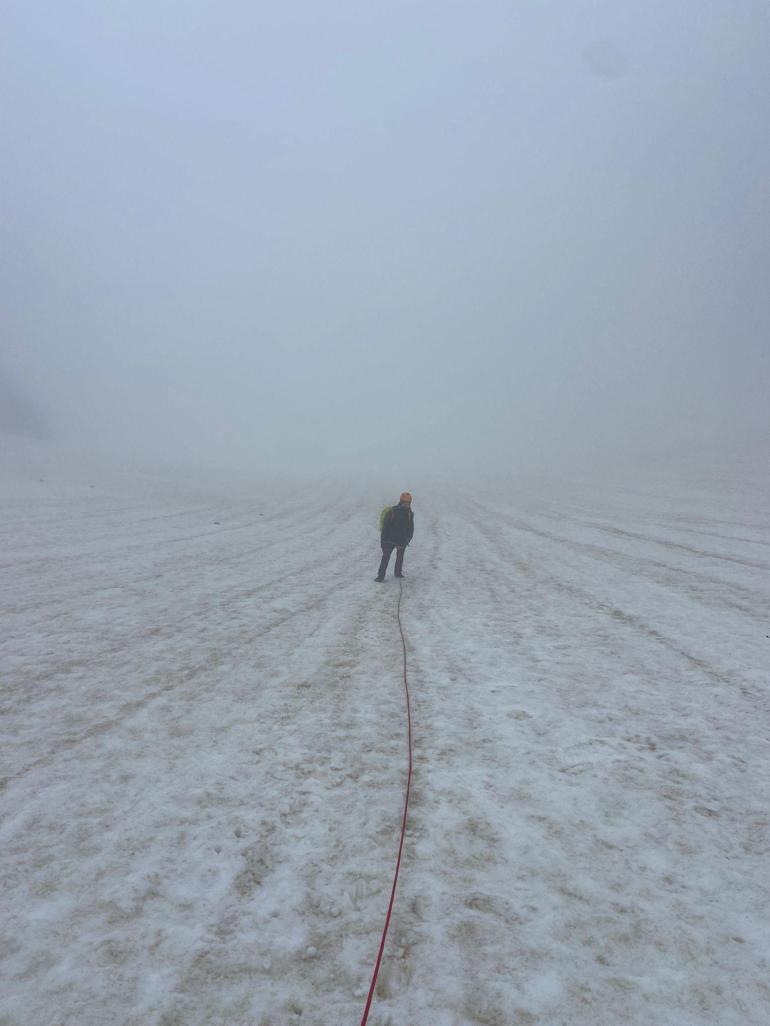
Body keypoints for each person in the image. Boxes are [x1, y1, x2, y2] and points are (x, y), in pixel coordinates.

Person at [375, 492, 414, 582]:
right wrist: (383, 540)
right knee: (385, 557)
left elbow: (411, 529)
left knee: (400, 557)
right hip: (389, 540)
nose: (406, 505)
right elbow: (385, 527)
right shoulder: (392, 511)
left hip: (402, 541)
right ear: (400, 501)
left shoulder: (410, 514)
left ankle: (398, 573)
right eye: (405, 502)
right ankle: (380, 576)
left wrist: (407, 540)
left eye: (408, 503)